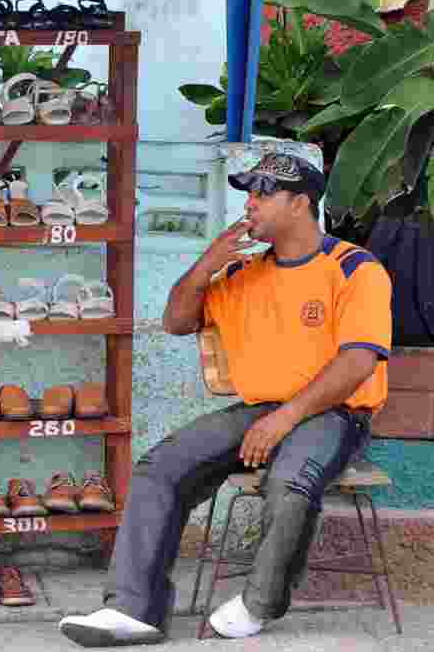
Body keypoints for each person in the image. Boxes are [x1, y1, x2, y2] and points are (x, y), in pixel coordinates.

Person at [59, 153, 392, 645]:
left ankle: (261, 602)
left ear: (300, 204)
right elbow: (176, 322)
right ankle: (134, 608)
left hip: (332, 412)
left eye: (262, 193)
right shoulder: (243, 273)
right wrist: (204, 267)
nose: (249, 204)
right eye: (247, 192)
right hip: (258, 410)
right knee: (160, 467)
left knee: (291, 482)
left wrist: (285, 419)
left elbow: (358, 362)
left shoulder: (354, 268)